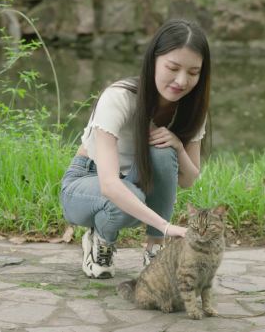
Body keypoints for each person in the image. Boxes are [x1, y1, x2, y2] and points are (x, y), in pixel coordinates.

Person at [60, 19, 211, 279]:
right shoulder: (119, 97)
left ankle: (155, 251)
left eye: (194, 72)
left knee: (163, 151)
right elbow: (109, 184)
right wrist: (165, 226)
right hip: (86, 183)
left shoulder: (192, 108)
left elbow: (188, 180)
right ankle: (101, 240)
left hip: (135, 183)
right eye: (172, 68)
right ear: (153, 60)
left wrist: (178, 146)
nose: (182, 81)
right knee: (126, 199)